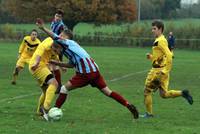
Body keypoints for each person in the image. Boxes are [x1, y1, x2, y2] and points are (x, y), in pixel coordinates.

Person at [36, 18, 139, 120]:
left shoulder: (69, 43)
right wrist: (56, 63)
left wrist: (43, 28)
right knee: (108, 92)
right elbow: (71, 65)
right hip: (94, 71)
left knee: (63, 89)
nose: (60, 36)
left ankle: (54, 110)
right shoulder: (70, 50)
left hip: (85, 73)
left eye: (62, 35)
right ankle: (128, 105)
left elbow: (55, 37)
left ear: (67, 38)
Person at [141, 20, 193, 118]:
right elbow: (162, 56)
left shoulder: (160, 41)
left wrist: (165, 71)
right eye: (152, 29)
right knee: (164, 94)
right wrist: (151, 57)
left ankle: (149, 114)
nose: (152, 31)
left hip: (158, 72)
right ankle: (183, 93)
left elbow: (169, 55)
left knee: (147, 91)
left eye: (154, 29)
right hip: (162, 71)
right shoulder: (161, 39)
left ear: (160, 29)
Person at [29, 37, 61, 121]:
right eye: (57, 50)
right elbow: (40, 52)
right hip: (37, 66)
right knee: (54, 83)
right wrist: (36, 63)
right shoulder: (46, 45)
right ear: (54, 47)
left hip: (40, 66)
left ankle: (39, 112)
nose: (58, 52)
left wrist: (61, 65)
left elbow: (55, 57)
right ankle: (46, 108)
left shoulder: (54, 47)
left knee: (45, 90)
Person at [50, 9, 66, 91]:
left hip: (58, 48)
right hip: (52, 46)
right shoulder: (53, 23)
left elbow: (62, 36)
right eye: (56, 16)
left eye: (59, 17)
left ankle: (57, 85)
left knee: (54, 65)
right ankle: (56, 85)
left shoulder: (61, 26)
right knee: (52, 66)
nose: (57, 18)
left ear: (61, 18)